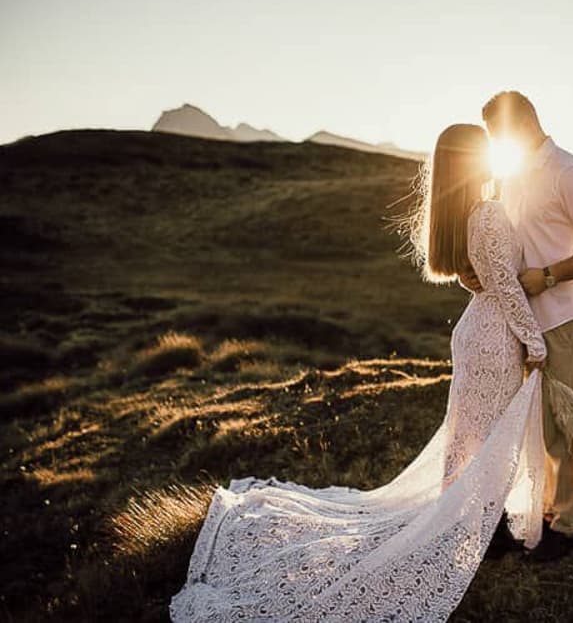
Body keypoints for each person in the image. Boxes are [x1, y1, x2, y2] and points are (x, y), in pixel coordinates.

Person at [170, 123, 551, 622]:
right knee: (491, 430)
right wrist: (535, 340)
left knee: (470, 431)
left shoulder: (461, 214)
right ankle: (480, 526)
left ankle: (468, 521)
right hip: (497, 334)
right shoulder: (488, 214)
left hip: (474, 330)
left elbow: (481, 277)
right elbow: (504, 284)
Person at [460, 91, 573, 562]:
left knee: (565, 422)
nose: (495, 142)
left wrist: (550, 275)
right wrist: (474, 274)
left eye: (497, 133)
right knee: (532, 423)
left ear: (522, 123)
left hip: (564, 315)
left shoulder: (569, 173)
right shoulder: (510, 177)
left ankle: (566, 528)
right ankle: (541, 513)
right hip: (521, 321)